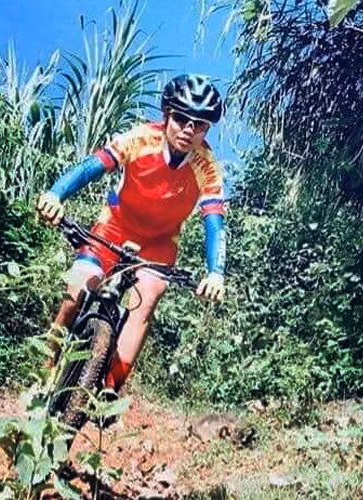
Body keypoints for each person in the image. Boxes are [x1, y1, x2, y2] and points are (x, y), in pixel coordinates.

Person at [36, 74, 227, 394]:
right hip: (115, 225)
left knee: (146, 301)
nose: (188, 130)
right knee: (77, 289)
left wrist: (215, 273)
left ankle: (110, 390)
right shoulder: (141, 139)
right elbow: (92, 166)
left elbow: (215, 222)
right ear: (166, 115)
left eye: (200, 125)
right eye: (181, 119)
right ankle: (44, 370)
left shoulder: (206, 165)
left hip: (160, 243)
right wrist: (55, 195)